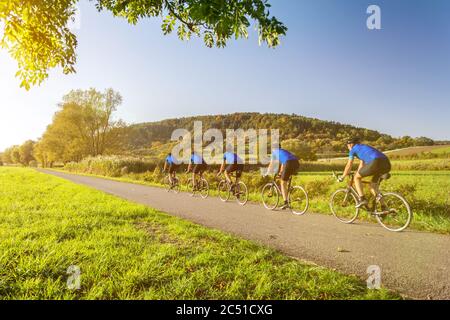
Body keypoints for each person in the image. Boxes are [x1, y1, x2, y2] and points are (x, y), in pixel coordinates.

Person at [339, 138, 391, 208]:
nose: (348, 147)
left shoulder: (353, 150)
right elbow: (361, 165)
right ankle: (384, 207)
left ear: (351, 144)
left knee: (356, 178)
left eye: (347, 146)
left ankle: (362, 199)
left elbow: (349, 165)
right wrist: (358, 173)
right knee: (373, 186)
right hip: (386, 163)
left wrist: (343, 176)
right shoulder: (364, 147)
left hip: (375, 162)